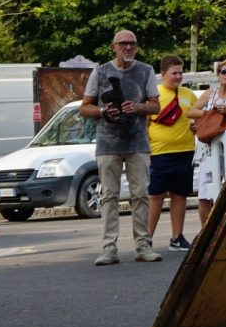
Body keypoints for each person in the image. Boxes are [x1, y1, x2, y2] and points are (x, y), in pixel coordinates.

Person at [81, 30, 162, 264]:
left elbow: (155, 106)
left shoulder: (146, 70)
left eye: (132, 44)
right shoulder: (100, 72)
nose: (128, 47)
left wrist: (137, 107)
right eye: (123, 44)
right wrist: (103, 111)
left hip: (137, 142)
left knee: (141, 194)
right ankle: (109, 248)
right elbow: (84, 107)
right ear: (113, 47)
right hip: (108, 143)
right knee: (109, 196)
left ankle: (143, 246)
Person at [147, 55, 201, 252]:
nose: (178, 76)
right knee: (156, 195)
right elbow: (144, 123)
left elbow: (198, 119)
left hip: (185, 151)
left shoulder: (189, 95)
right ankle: (146, 239)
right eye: (174, 73)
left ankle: (177, 237)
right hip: (160, 152)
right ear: (163, 74)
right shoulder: (153, 96)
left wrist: (196, 126)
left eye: (180, 72)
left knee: (180, 194)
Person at [193, 60, 226, 227]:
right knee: (204, 196)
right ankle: (205, 231)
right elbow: (191, 111)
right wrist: (212, 114)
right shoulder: (210, 93)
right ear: (218, 74)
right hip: (208, 150)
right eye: (224, 71)